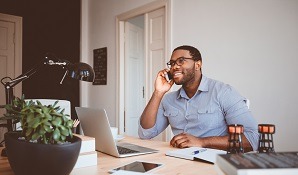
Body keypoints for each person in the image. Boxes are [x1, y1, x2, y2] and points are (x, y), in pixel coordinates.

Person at [138, 45, 259, 152]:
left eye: (181, 61)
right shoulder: (168, 99)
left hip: (216, 162)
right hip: (179, 159)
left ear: (198, 64)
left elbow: (253, 138)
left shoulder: (223, 92)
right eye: (172, 63)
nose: (174, 67)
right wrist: (158, 93)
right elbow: (145, 133)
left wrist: (202, 142)